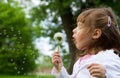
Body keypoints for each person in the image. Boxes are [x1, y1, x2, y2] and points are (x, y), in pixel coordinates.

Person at [51, 7, 120, 78]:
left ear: (95, 34)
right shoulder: (80, 61)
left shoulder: (109, 57)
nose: (74, 30)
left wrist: (105, 76)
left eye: (79, 27)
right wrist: (60, 68)